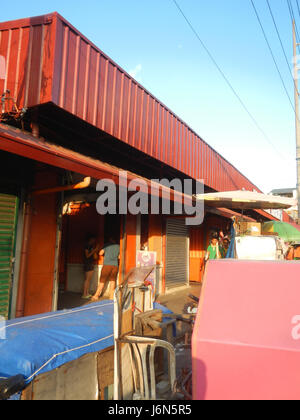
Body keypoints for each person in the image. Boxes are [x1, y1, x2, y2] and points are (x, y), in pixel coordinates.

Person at [91, 236, 120, 301]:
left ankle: (96, 295)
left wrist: (107, 254)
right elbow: (119, 257)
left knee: (102, 281)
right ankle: (111, 296)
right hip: (115, 265)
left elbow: (100, 253)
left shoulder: (106, 245)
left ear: (110, 239)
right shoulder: (118, 246)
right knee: (113, 281)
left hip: (107, 265)